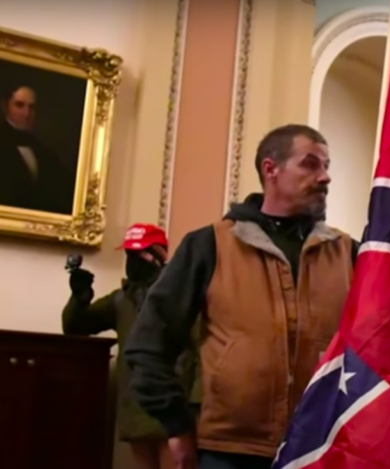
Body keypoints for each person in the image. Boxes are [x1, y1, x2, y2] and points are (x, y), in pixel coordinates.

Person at [125, 124, 360, 469]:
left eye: (327, 166)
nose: (325, 177)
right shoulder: (210, 245)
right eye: (310, 164)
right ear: (271, 169)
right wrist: (176, 425)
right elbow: (148, 344)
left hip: (324, 447)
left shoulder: (348, 253)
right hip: (230, 452)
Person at [62, 223, 199, 469]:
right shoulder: (121, 299)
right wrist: (79, 297)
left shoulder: (180, 295)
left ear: (159, 254)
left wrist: (197, 406)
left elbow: (202, 350)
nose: (133, 261)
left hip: (173, 406)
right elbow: (76, 326)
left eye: (139, 254)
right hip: (135, 408)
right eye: (129, 254)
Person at [0, 84, 74, 214]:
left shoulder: (44, 151)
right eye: (19, 105)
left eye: (31, 107)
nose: (27, 113)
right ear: (5, 107)